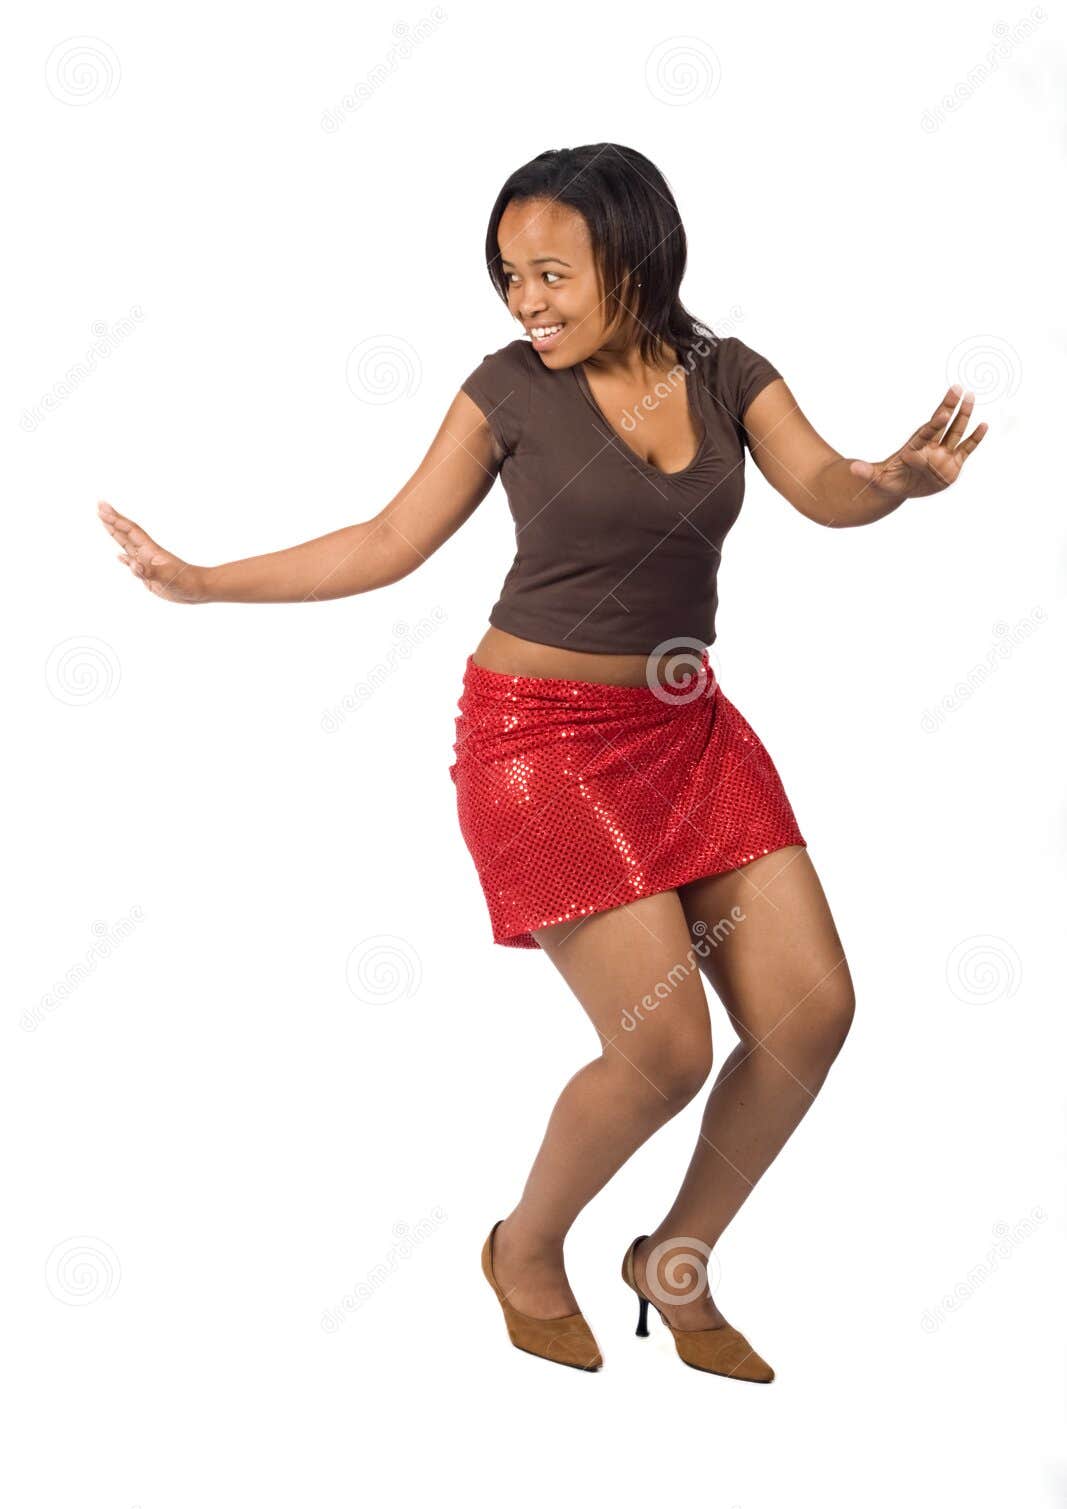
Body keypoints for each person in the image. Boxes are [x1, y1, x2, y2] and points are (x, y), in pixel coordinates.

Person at [97, 143, 987, 1382]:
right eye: (509, 277)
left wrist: (892, 482)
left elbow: (827, 490)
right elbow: (388, 538)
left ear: (636, 254)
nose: (526, 303)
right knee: (661, 1049)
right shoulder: (505, 389)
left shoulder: (727, 374)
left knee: (808, 1012)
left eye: (552, 274)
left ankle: (673, 1258)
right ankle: (524, 1249)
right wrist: (202, 583)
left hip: (687, 730)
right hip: (540, 745)